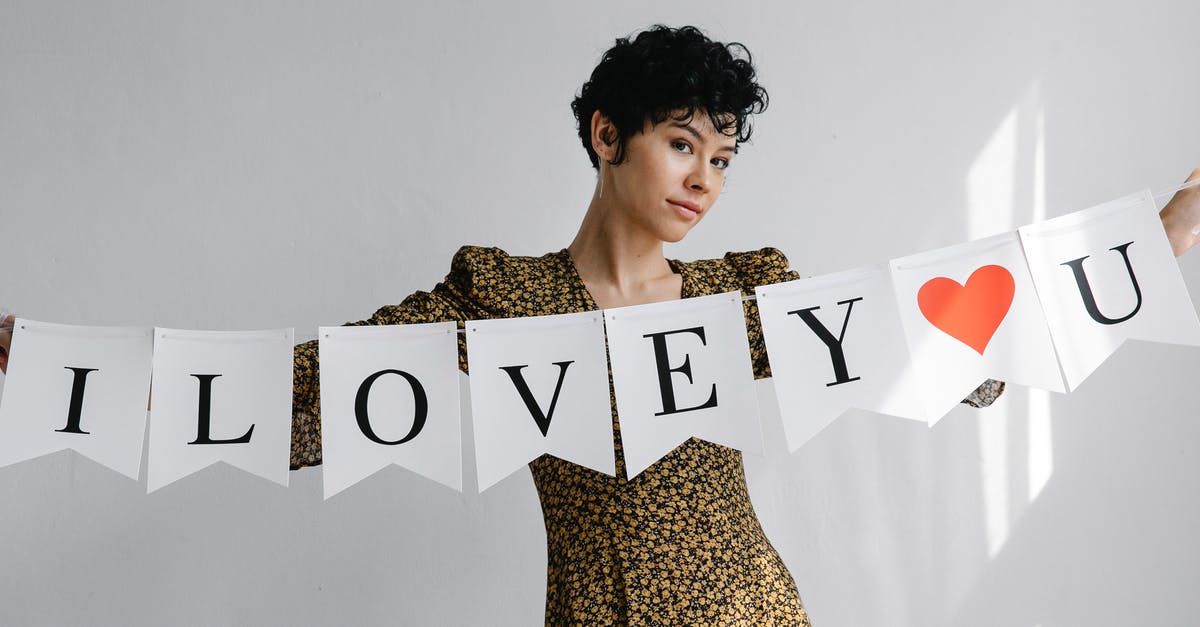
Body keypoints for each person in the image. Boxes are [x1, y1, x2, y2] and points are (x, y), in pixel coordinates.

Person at [2, 23, 1199, 627]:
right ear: (605, 135)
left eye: (722, 158)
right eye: (684, 142)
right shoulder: (501, 298)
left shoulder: (748, 292)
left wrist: (1158, 238)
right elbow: (307, 397)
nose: (704, 180)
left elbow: (943, 355)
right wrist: (61, 370)